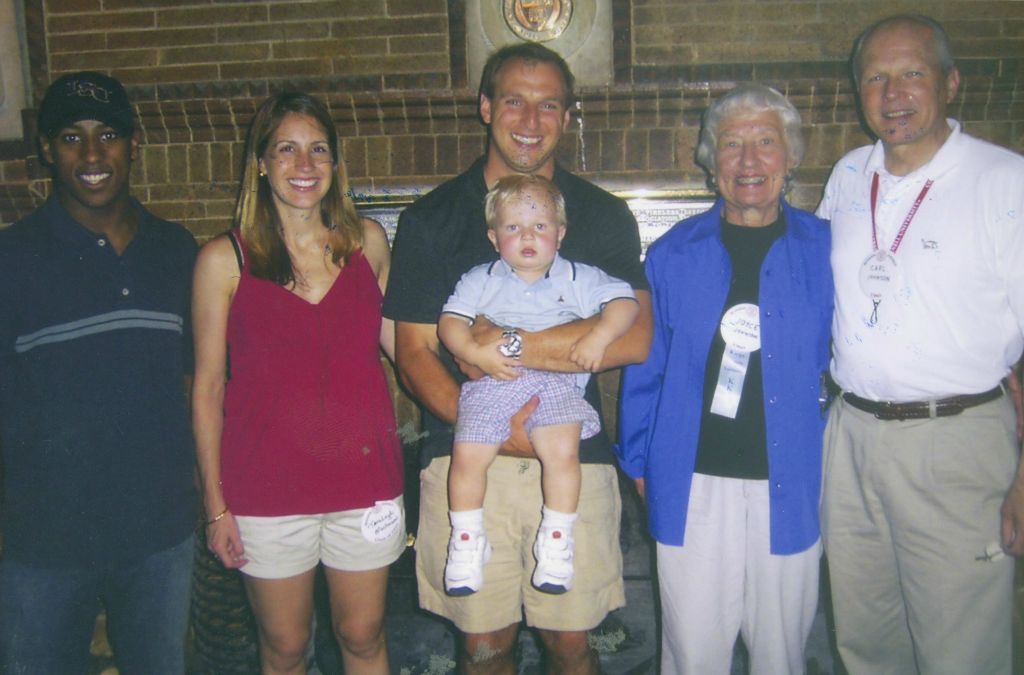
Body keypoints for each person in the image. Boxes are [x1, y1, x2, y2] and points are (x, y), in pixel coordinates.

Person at [384, 42, 652, 673]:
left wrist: (498, 343)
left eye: (548, 105)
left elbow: (633, 339)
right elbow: (415, 350)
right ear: (485, 107)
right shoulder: (430, 220)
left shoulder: (603, 216)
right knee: (483, 648)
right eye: (514, 101)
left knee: (571, 643)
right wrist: (494, 429)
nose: (530, 121)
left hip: (571, 457)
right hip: (467, 458)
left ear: (567, 116)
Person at [817, 14, 1024, 673]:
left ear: (952, 82)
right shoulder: (849, 175)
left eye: (912, 73)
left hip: (956, 442)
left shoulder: (1004, 181)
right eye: (876, 77)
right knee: (864, 642)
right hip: (850, 437)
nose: (893, 91)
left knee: (961, 651)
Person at [617, 83, 833, 674]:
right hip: (692, 480)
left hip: (790, 480)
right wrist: (638, 462)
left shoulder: (827, 249)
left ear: (791, 156)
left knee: (781, 650)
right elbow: (646, 365)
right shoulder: (672, 254)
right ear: (711, 164)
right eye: (731, 144)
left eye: (766, 142)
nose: (748, 161)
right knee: (692, 650)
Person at [191, 92, 404, 674]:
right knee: (285, 648)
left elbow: (406, 351)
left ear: (336, 164)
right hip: (265, 486)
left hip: (363, 479)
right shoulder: (223, 260)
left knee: (363, 635)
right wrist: (215, 505)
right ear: (260, 162)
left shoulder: (369, 245)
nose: (304, 165)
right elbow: (208, 388)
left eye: (318, 150)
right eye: (286, 149)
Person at [0, 71, 197, 673]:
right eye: (71, 136)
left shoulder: (177, 251)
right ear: (46, 149)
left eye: (107, 134)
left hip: (159, 531)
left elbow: (203, 383)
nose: (91, 154)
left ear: (134, 143)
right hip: (42, 539)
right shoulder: (11, 258)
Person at [439, 174, 638, 596]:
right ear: (494, 238)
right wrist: (476, 356)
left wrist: (599, 336)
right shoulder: (481, 278)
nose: (527, 236)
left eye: (540, 227)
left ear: (560, 234)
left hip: (560, 382)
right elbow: (450, 324)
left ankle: (557, 539)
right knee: (467, 453)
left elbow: (626, 304)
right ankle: (468, 539)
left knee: (562, 452)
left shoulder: (581, 278)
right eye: (513, 227)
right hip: (494, 379)